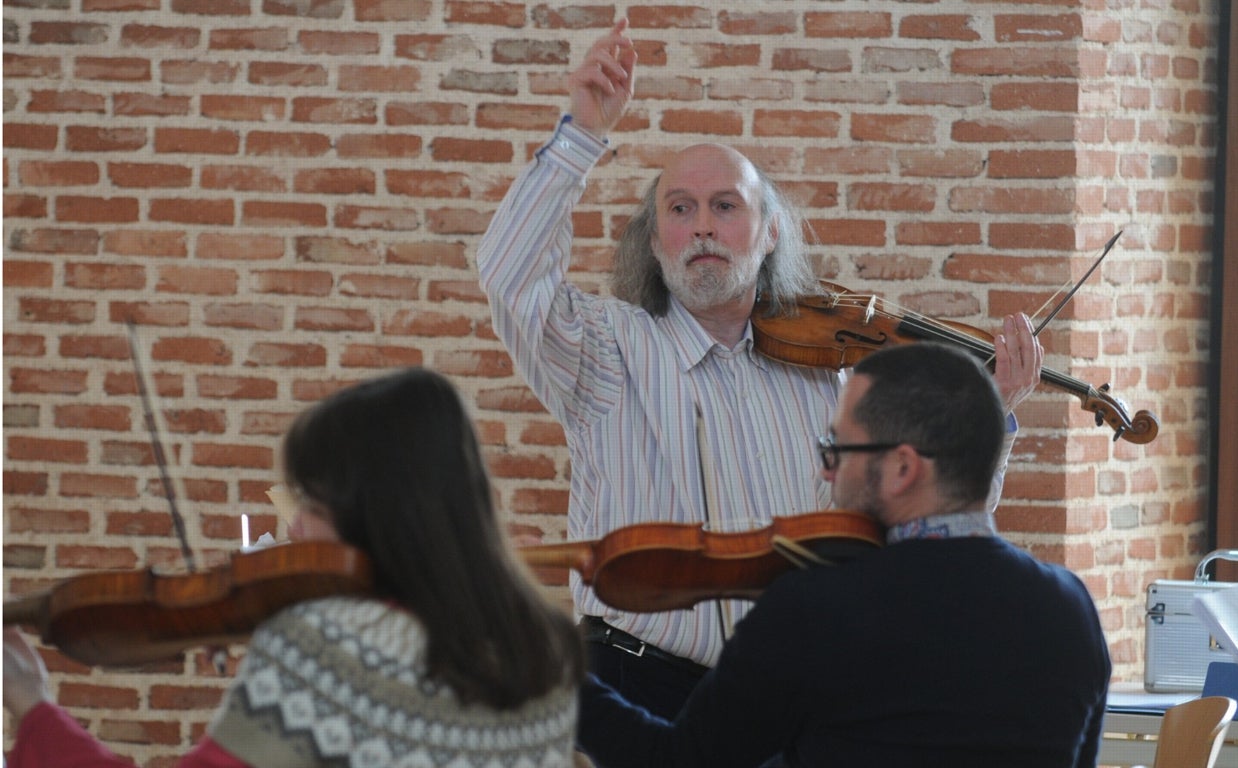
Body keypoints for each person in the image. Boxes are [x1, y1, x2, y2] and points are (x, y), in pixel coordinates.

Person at [476, 17, 1045, 725]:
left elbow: (916, 527)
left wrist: (989, 418)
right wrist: (582, 132)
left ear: (769, 232)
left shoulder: (831, 379)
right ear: (655, 243)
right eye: (680, 210)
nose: (704, 227)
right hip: (637, 685)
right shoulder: (603, 349)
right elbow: (508, 278)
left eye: (726, 207)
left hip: (792, 694)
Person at [4, 367, 585, 767]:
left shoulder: (325, 649)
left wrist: (31, 704)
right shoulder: (545, 649)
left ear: (377, 515)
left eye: (310, 503)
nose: (295, 528)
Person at [576, 342, 1112, 767]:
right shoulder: (1071, 608)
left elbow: (678, 761)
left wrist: (551, 676)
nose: (824, 472)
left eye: (838, 450)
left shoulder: (815, 608)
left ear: (903, 469)